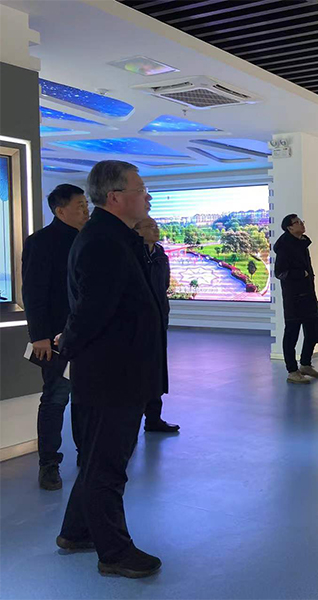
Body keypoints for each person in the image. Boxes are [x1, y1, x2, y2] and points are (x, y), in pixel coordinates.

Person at [56, 160, 163, 578]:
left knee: (97, 460)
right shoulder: (104, 242)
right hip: (112, 375)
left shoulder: (114, 237)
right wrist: (68, 348)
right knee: (108, 467)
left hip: (116, 372)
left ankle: (76, 531)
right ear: (116, 197)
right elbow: (90, 313)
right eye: (141, 189)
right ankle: (114, 552)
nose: (148, 197)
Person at [21, 184, 89, 490]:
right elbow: (33, 291)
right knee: (55, 398)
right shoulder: (41, 242)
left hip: (87, 335)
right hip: (56, 339)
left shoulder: (89, 239)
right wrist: (40, 336)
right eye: (79, 206)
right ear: (60, 211)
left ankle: (87, 454)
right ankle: (49, 464)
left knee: (87, 398)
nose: (86, 210)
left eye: (86, 204)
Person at [134, 217, 179, 433]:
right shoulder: (133, 255)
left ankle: (154, 418)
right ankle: (133, 420)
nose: (156, 230)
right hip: (139, 320)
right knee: (139, 370)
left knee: (157, 369)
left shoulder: (160, 254)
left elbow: (165, 284)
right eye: (150, 227)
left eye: (156, 226)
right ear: (137, 231)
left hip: (159, 316)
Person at [274, 214, 318, 384]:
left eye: (302, 221)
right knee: (292, 333)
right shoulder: (284, 246)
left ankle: (305, 364)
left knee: (312, 330)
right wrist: (301, 274)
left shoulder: (302, 244)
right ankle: (292, 371)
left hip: (308, 295)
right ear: (289, 228)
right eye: (297, 223)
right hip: (293, 298)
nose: (302, 224)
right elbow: (280, 272)